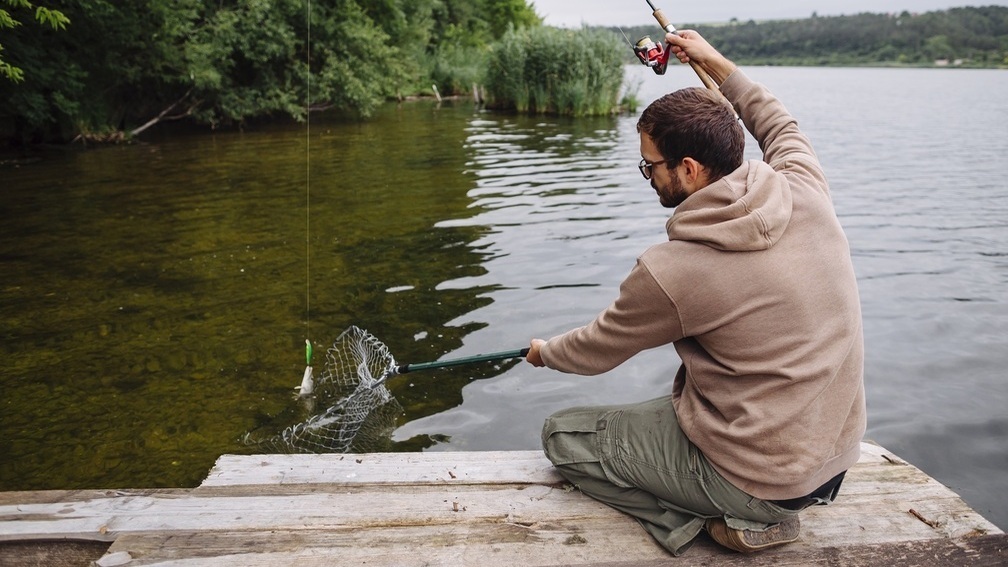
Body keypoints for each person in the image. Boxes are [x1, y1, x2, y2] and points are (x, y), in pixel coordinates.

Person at [525, 30, 866, 556]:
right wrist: (713, 60)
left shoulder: (674, 271)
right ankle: (751, 502)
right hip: (834, 460)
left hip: (762, 480)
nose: (646, 175)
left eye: (650, 165)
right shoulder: (804, 187)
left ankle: (706, 524)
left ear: (688, 168)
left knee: (564, 437)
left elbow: (596, 349)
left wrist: (544, 353)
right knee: (669, 404)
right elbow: (776, 121)